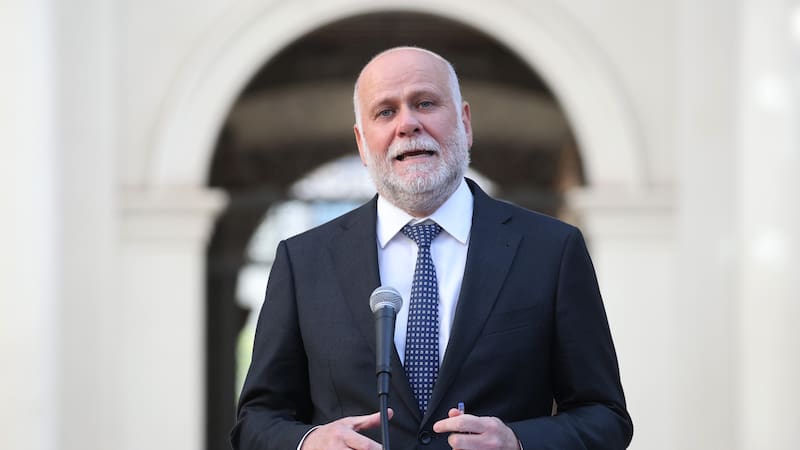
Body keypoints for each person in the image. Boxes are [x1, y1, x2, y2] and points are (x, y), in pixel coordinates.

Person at [231, 46, 633, 450]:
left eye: (425, 103)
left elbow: (605, 417)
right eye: (385, 112)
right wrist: (308, 442)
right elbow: (255, 421)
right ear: (361, 142)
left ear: (465, 122)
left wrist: (518, 442)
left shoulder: (551, 250)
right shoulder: (303, 262)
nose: (407, 124)